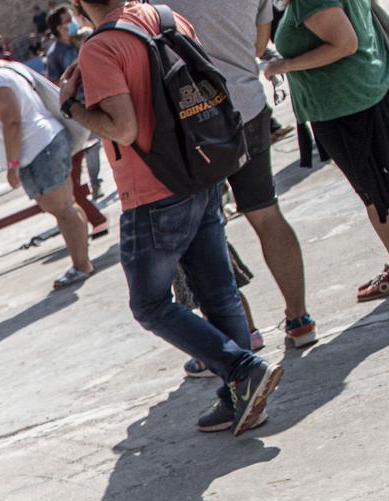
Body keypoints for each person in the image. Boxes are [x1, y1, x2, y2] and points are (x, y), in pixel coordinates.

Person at [62, 3, 285, 432]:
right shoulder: (163, 16)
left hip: (152, 190)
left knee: (149, 304)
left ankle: (243, 370)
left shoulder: (100, 48)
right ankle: (239, 397)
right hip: (199, 168)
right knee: (218, 293)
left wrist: (72, 107)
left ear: (78, 5)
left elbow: (123, 129)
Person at [265, 0, 389, 301]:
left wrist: (285, 65)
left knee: (377, 192)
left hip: (347, 104)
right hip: (366, 90)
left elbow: (344, 44)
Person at [178, 0, 317, 346]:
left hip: (194, 120)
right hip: (248, 105)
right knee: (266, 212)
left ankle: (242, 334)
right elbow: (258, 45)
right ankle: (300, 320)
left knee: (205, 229)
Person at [0, 36, 97, 291]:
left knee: (63, 211)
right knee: (68, 206)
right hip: (49, 143)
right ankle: (83, 261)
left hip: (38, 152)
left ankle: (81, 265)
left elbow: (12, 123)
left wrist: (12, 167)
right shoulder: (10, 69)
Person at [42, 7, 108, 200]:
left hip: (98, 93)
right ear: (58, 27)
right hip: (79, 104)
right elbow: (54, 83)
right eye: (66, 20)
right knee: (93, 145)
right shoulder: (55, 54)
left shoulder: (81, 39)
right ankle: (95, 184)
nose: (71, 22)